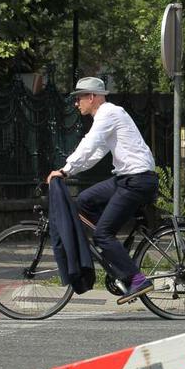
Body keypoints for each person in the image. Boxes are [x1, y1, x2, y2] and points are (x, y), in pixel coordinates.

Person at [46, 76, 158, 304]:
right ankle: (109, 251)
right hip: (126, 178)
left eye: (78, 99)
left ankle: (137, 279)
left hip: (137, 180)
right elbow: (96, 154)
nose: (76, 104)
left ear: (91, 97)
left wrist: (65, 170)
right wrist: (70, 170)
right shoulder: (107, 116)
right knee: (82, 202)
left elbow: (90, 143)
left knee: (102, 234)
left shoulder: (109, 113)